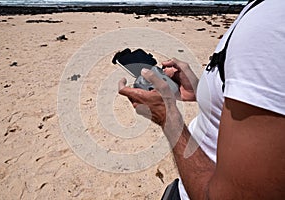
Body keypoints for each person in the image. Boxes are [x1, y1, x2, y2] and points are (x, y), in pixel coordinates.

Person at [118, 0, 285, 199]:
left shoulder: (270, 25)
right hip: (190, 181)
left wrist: (167, 116)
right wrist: (201, 92)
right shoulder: (263, 11)